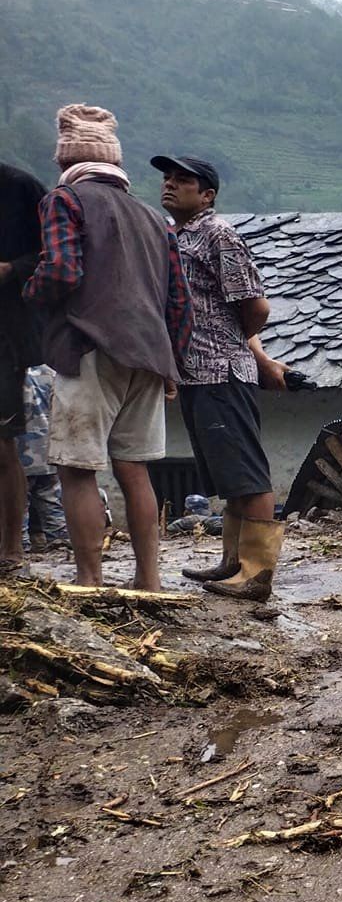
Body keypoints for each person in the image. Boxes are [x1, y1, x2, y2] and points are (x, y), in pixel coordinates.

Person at [21, 104, 190, 591]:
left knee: (75, 468)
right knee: (133, 468)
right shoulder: (155, 219)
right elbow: (178, 301)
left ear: (66, 160)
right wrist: (171, 366)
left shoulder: (65, 200)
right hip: (151, 353)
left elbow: (60, 272)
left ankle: (89, 580)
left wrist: (26, 292)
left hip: (90, 346)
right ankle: (149, 581)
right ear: (116, 163)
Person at [154, 154, 283, 601]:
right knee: (230, 478)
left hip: (220, 371)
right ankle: (231, 564)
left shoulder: (217, 234)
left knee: (248, 476)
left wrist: (231, 340)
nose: (170, 185)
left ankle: (257, 576)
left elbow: (256, 304)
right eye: (167, 178)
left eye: (183, 180)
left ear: (207, 194)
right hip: (196, 374)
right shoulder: (178, 236)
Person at [0, 160, 47, 573]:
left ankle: (11, 549)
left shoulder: (21, 187)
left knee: (1, 441)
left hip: (6, 336)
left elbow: (58, 252)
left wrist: (11, 269)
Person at [18, 365, 65, 551]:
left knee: (17, 505)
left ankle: (20, 547)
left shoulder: (10, 371)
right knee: (53, 503)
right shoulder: (51, 373)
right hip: (48, 452)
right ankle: (61, 545)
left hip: (17, 458)